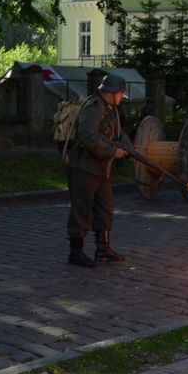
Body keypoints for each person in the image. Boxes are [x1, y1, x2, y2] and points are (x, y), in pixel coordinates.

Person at [64, 73, 134, 267]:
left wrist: (131, 150)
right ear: (111, 93)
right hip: (83, 167)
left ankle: (103, 250)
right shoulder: (94, 108)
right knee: (82, 210)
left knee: (105, 206)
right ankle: (75, 253)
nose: (121, 98)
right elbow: (89, 137)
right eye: (121, 93)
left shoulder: (110, 109)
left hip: (99, 169)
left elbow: (119, 134)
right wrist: (113, 151)